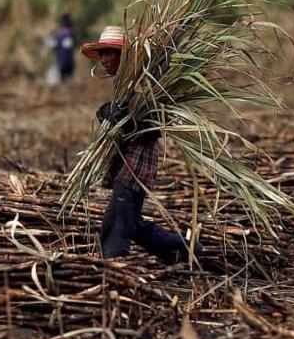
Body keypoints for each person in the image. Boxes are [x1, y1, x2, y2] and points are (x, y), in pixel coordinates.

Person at [80, 26, 201, 264]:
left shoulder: (143, 83)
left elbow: (156, 123)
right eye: (102, 53)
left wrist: (125, 120)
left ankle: (112, 267)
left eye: (109, 52)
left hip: (136, 163)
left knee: (116, 223)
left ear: (125, 55)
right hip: (128, 162)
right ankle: (184, 251)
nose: (104, 59)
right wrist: (110, 113)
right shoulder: (126, 85)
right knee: (132, 224)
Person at [53, 14, 75, 82]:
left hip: (59, 62)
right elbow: (68, 50)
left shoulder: (57, 34)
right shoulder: (67, 34)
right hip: (66, 63)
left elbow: (55, 49)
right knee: (67, 81)